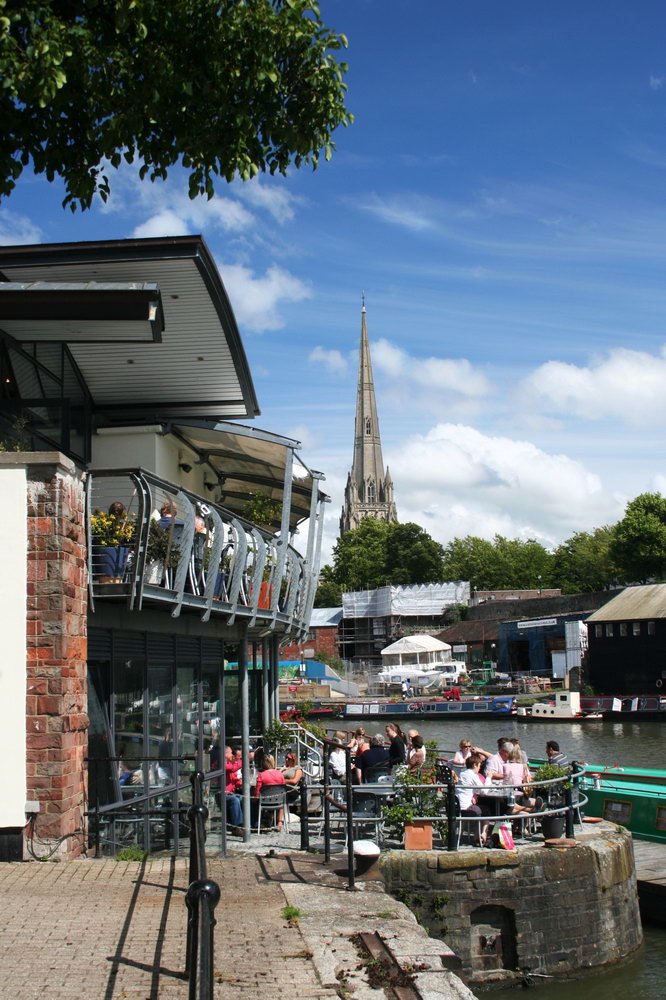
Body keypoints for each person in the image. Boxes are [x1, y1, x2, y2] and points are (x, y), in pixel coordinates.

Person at [456, 754, 492, 845]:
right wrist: (489, 778)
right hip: (466, 808)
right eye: (479, 765)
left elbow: (470, 788)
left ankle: (478, 836)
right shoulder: (473, 775)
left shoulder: (462, 774)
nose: (479, 768)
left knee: (478, 808)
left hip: (457, 807)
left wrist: (474, 794)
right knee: (485, 810)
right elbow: (484, 792)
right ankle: (482, 835)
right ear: (475, 765)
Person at [254, 753, 286, 831]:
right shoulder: (280, 774)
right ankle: (279, 822)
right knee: (281, 800)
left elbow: (257, 791)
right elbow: (283, 788)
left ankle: (256, 822)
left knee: (252, 803)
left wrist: (254, 799)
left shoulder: (261, 775)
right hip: (278, 801)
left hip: (264, 802)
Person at [223, 744, 243, 831]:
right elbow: (233, 768)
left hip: (231, 792)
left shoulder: (228, 762)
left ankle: (245, 823)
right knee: (235, 800)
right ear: (225, 753)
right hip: (223, 794)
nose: (232, 755)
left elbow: (232, 777)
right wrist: (244, 760)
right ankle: (237, 827)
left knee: (243, 798)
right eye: (231, 753)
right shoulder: (222, 763)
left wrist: (238, 783)